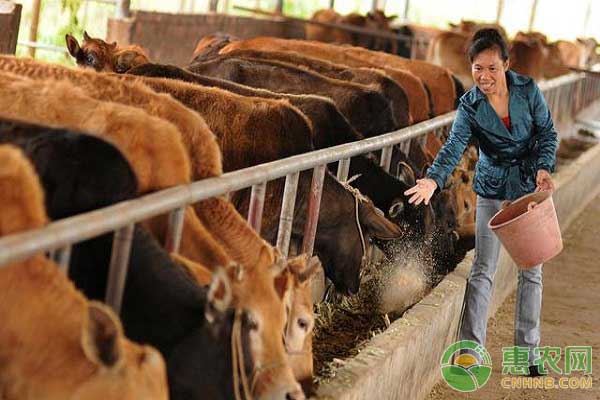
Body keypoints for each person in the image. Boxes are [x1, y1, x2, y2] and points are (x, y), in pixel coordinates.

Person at [404, 28, 558, 377]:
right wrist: (434, 177)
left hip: (526, 188)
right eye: (477, 68)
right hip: (490, 188)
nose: (484, 76)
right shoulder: (470, 106)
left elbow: (547, 133)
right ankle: (471, 351)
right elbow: (453, 146)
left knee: (531, 270)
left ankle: (527, 355)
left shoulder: (528, 91)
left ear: (506, 63)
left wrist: (544, 167)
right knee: (483, 269)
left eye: (491, 68)